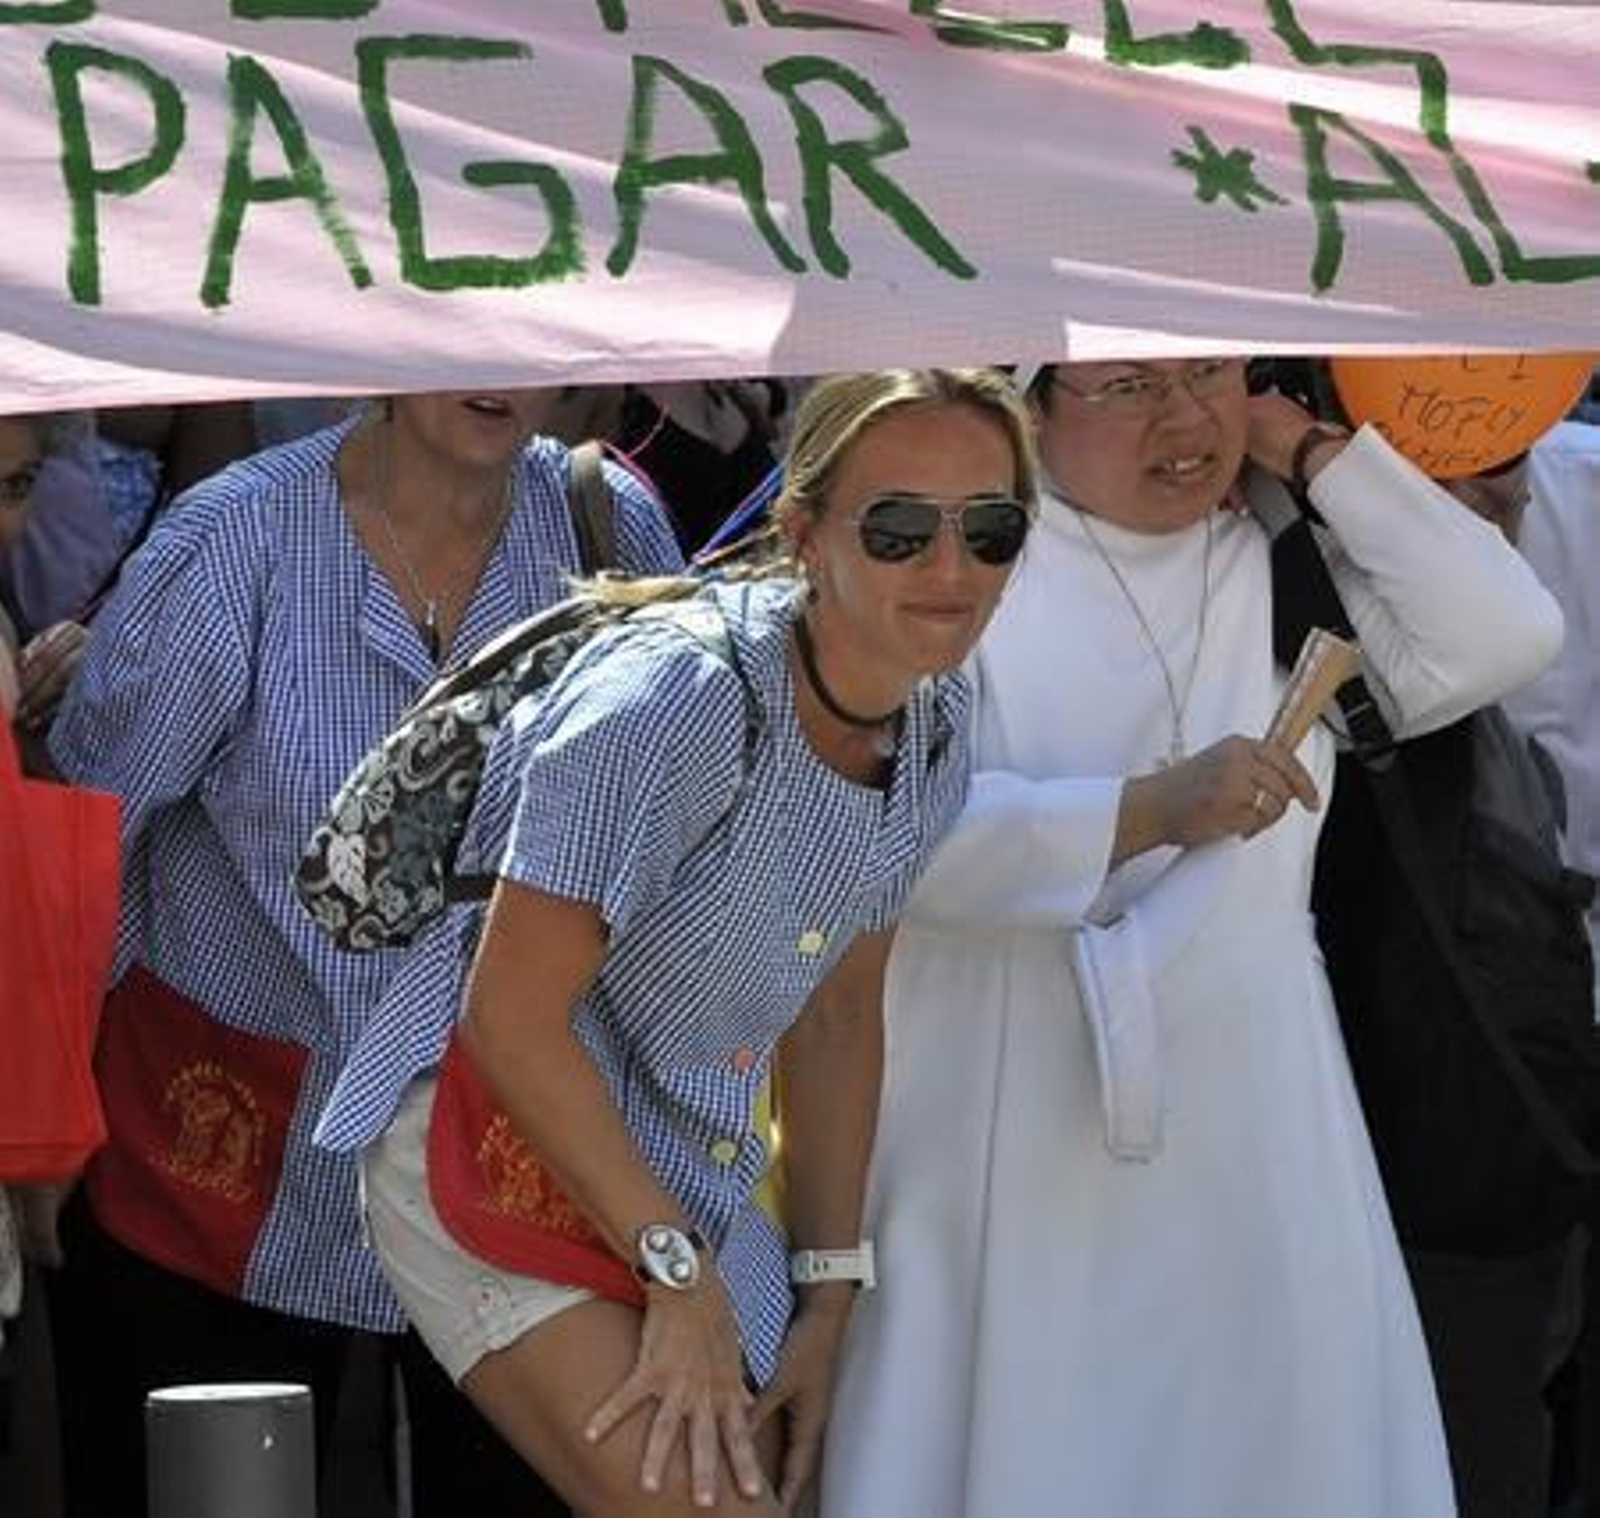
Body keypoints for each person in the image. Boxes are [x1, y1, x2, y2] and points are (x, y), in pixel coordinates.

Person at [821, 355, 1564, 1518]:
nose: (1180, 418)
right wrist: (1140, 813)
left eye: (1208, 375)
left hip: (1255, 1109)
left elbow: (1507, 627)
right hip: (1010, 1099)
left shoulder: (1278, 559)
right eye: (1125, 387)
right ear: (1032, 408)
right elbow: (868, 827)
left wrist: (1306, 452)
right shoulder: (959, 561)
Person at [313, 367, 1038, 1516]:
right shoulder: (670, 699)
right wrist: (677, 1271)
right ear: (801, 533)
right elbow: (507, 1017)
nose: (951, 571)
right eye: (899, 530)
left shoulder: (940, 714)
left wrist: (829, 1295)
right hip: (485, 1136)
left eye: (991, 530)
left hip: (679, 1167)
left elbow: (842, 1011)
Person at [42, 388, 684, 1517]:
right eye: (452, 332)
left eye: (527, 336)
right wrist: (42, 1125)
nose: (495, 373)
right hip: (227, 1149)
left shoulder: (606, 523)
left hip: (515, 1153)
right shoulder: (237, 536)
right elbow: (90, 838)